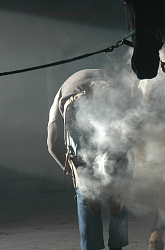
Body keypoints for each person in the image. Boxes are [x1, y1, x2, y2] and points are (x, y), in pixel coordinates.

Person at [47, 69, 134, 250]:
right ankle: (117, 246)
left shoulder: (60, 94)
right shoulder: (111, 79)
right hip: (113, 100)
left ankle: (92, 247)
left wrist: (75, 171)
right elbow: (133, 122)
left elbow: (53, 144)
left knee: (87, 188)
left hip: (77, 104)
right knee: (119, 184)